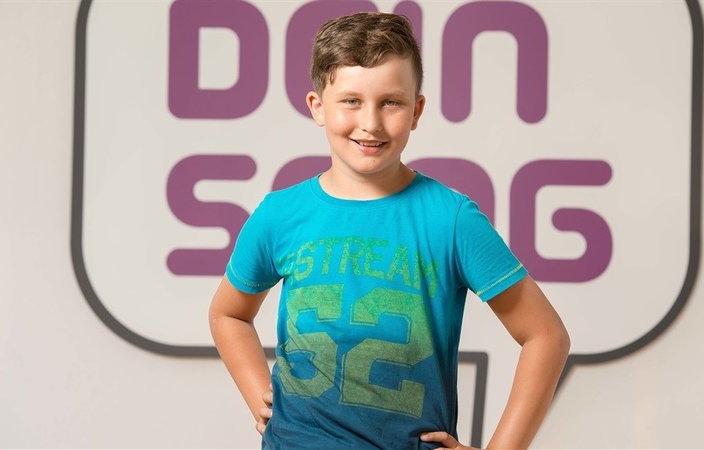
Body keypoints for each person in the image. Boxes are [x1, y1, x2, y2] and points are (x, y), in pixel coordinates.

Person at [209, 11, 570, 450]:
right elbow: (228, 313)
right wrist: (259, 395)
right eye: (351, 101)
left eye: (390, 103)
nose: (371, 123)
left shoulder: (451, 219)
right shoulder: (280, 214)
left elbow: (546, 336)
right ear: (318, 107)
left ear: (416, 110)